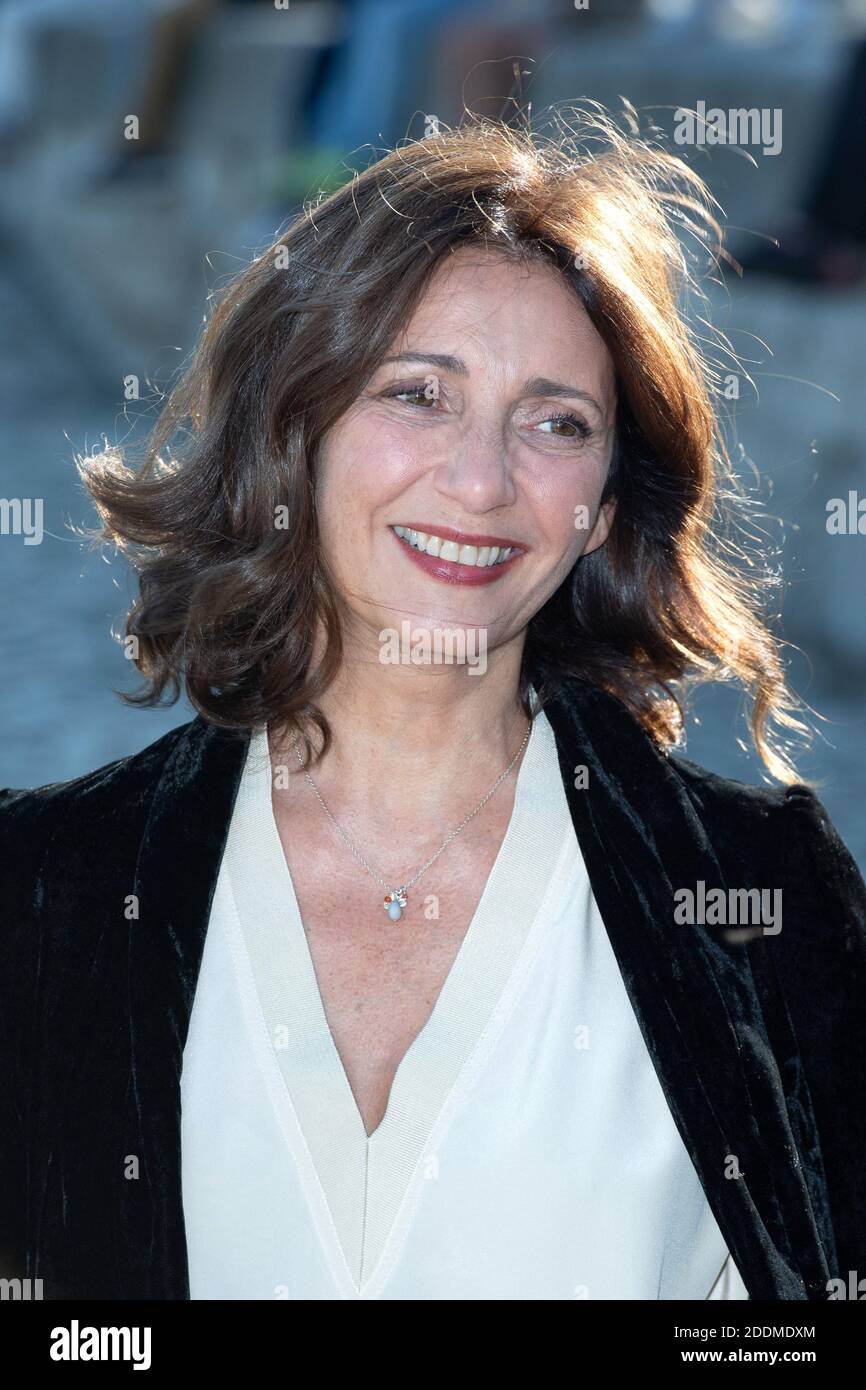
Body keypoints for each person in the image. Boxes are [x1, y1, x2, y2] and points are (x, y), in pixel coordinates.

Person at [1, 112, 864, 1302]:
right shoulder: (43, 885)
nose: (480, 479)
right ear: (293, 431)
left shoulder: (764, 900)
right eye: (418, 394)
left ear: (604, 508)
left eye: (557, 422)